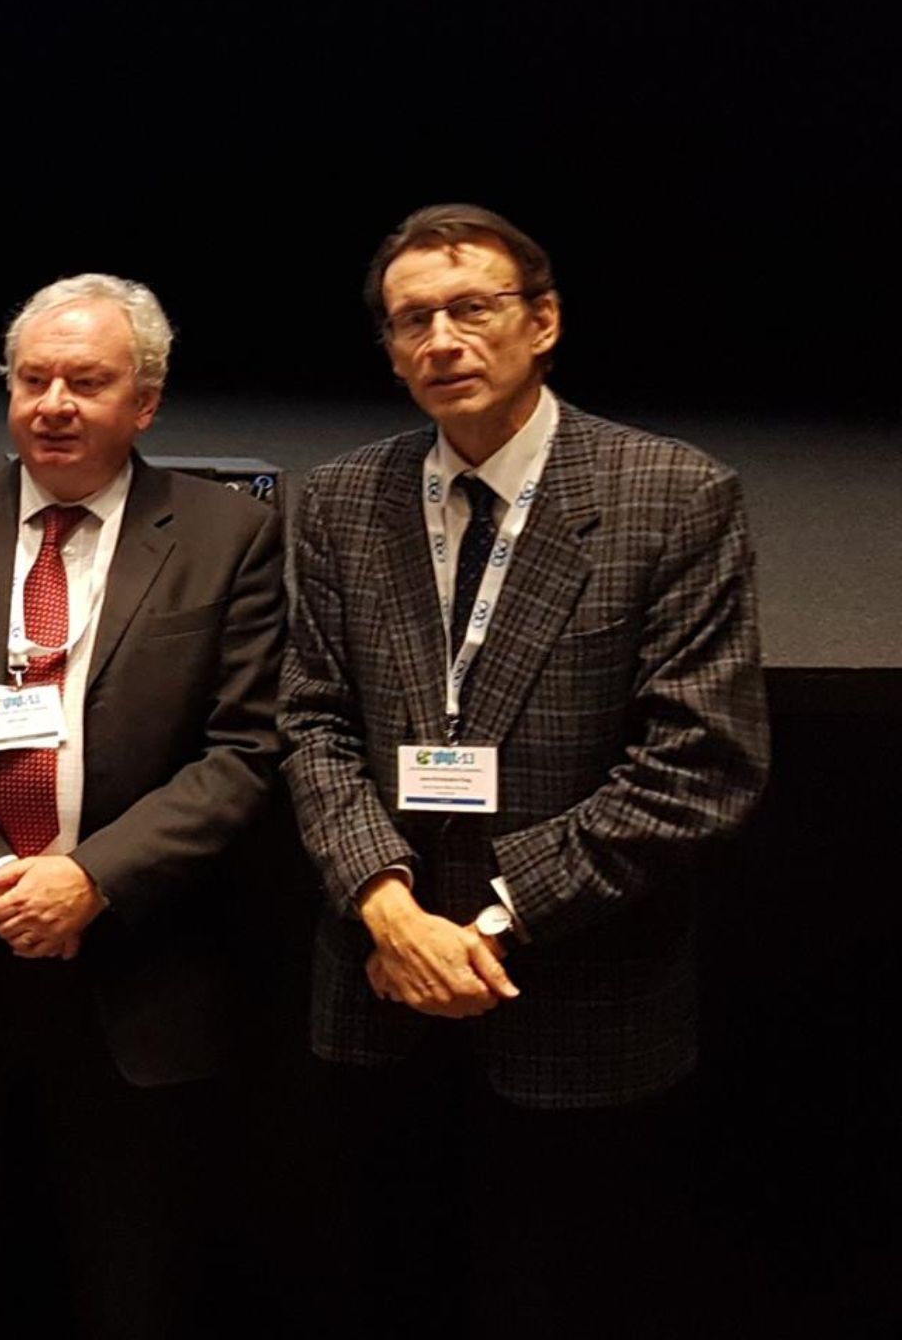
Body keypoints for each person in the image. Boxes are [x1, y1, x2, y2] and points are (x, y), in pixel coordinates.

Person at [281, 203, 768, 1337]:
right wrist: (389, 909)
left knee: (560, 1293)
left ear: (542, 323)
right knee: (383, 1285)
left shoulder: (673, 495)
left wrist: (488, 926)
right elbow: (309, 724)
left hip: (577, 999)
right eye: (413, 320)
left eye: (472, 308)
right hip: (378, 984)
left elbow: (699, 765)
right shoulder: (346, 499)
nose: (442, 339)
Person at [0, 274, 283, 1337]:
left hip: (134, 968)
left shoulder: (229, 535)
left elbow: (247, 747)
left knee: (128, 1273)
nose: (53, 403)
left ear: (147, 401)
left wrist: (91, 879)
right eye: (32, 379)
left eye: (86, 381)